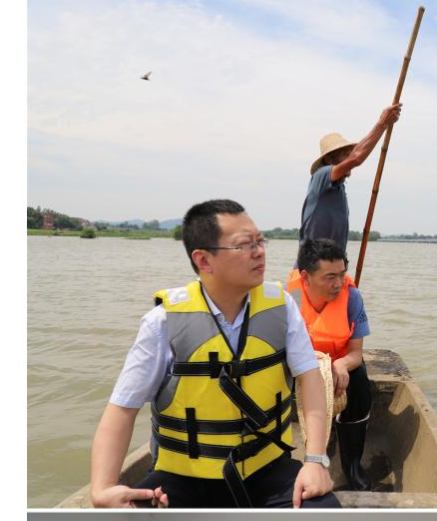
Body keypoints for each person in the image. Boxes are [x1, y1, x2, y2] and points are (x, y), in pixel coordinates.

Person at [90, 199, 340, 509]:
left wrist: (315, 461)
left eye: (260, 241)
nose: (259, 251)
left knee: (324, 511)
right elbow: (122, 409)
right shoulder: (163, 323)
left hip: (269, 469)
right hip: (183, 478)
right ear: (204, 260)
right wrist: (102, 488)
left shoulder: (282, 306)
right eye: (244, 245)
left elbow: (310, 377)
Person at [286, 238, 372, 491]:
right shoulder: (287, 298)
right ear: (306, 276)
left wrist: (342, 365)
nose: (338, 283)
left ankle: (352, 464)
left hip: (338, 364)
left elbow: (356, 352)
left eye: (342, 275)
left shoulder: (352, 298)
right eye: (330, 277)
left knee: (358, 381)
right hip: (300, 365)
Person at [300, 103, 402, 253]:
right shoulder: (321, 176)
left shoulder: (339, 188)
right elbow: (356, 158)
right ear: (329, 160)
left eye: (349, 153)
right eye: (344, 155)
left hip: (333, 265)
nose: (349, 157)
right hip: (313, 268)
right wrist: (382, 124)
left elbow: (357, 153)